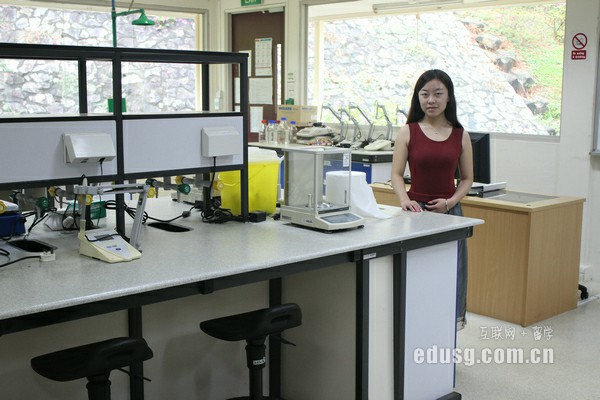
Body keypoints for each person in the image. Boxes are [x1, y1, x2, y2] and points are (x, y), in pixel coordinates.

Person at [390, 69, 473, 330]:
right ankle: (415, 329)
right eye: (424, 94)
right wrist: (404, 199)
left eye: (438, 94)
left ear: (448, 97)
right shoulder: (408, 132)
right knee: (417, 275)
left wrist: (450, 202)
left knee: (451, 274)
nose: (431, 100)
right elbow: (396, 174)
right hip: (415, 214)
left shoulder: (460, 134)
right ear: (418, 98)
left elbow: (467, 179)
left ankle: (446, 331)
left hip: (450, 215)